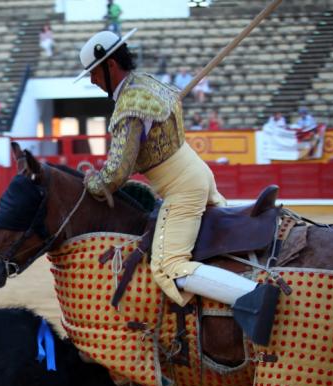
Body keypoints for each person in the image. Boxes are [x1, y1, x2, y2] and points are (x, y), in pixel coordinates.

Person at [74, 28, 279, 345]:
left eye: (93, 73)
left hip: (182, 189)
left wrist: (91, 180)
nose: (92, 81)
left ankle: (254, 296)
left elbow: (115, 175)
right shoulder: (148, 83)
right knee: (214, 247)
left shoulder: (129, 106)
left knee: (169, 265)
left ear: (110, 65)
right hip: (198, 173)